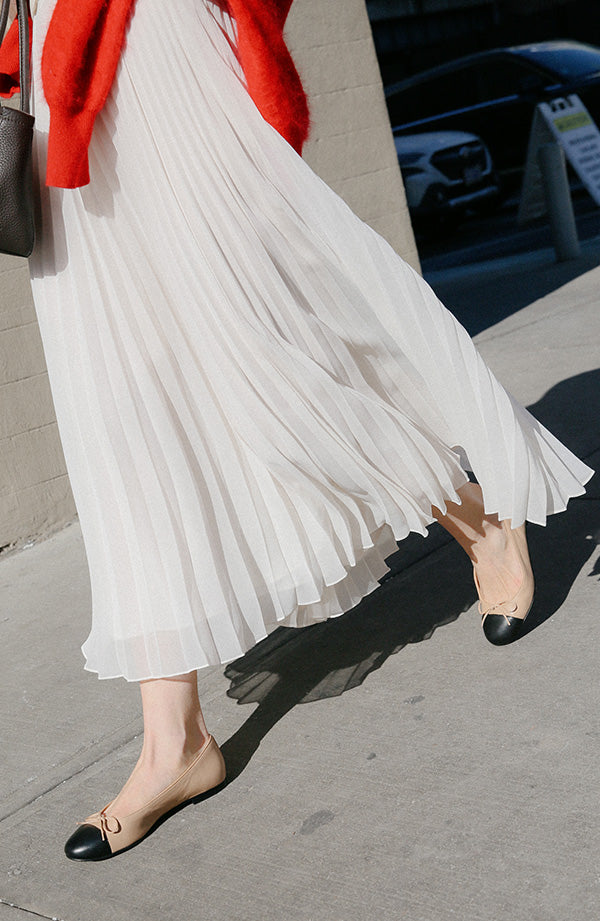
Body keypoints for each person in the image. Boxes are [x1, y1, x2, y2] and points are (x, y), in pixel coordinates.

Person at [0, 0, 593, 861]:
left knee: (271, 348)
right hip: (53, 73)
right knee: (121, 410)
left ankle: (479, 517)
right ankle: (176, 744)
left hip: (154, 44)